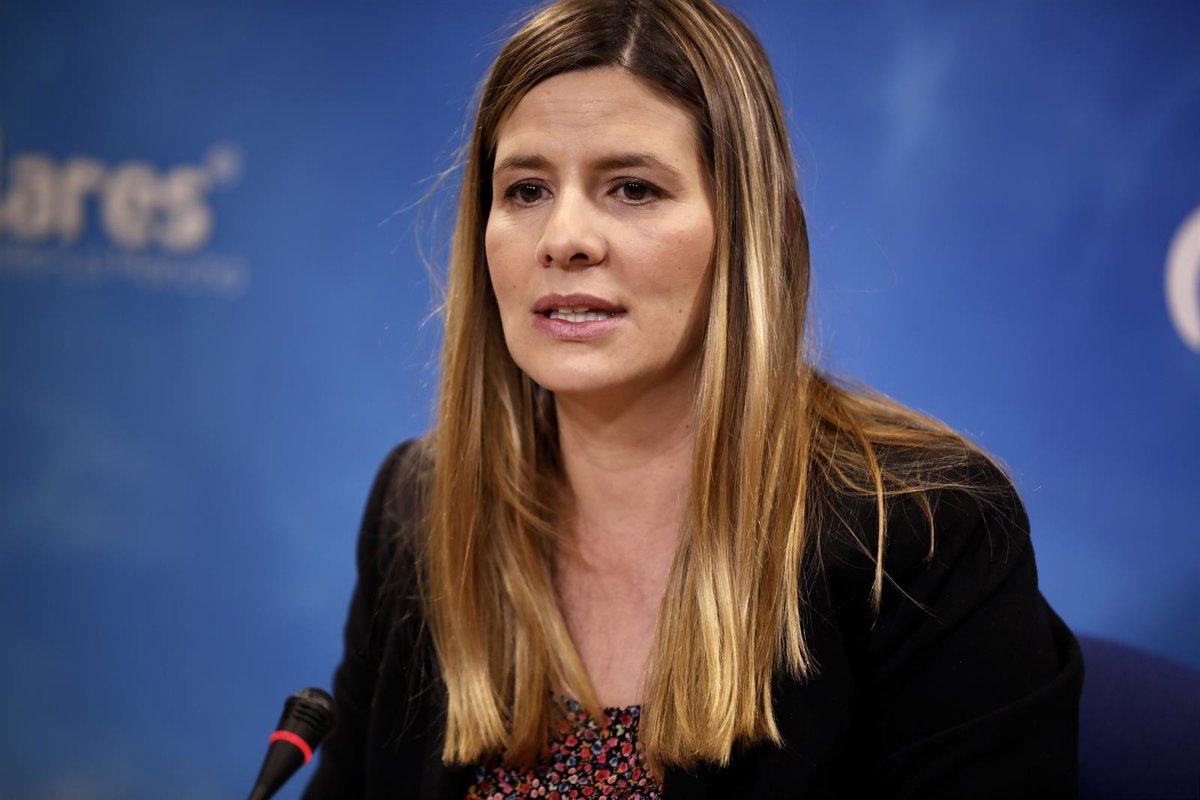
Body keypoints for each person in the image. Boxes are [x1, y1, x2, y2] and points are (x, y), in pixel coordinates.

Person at [305, 0, 1083, 797]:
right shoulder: (423, 506)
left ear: (747, 230)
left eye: (633, 189)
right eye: (526, 190)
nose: (563, 238)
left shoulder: (922, 532)